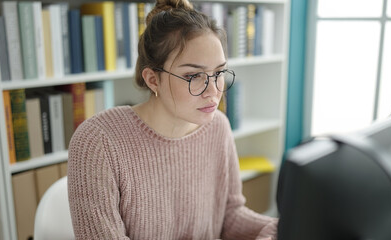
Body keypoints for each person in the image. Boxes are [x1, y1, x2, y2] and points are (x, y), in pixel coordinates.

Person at [67, 0, 279, 239]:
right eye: (194, 76)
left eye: (219, 72)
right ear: (153, 80)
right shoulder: (98, 142)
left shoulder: (218, 126)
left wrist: (276, 228)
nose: (214, 91)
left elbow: (228, 215)